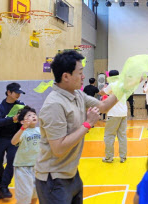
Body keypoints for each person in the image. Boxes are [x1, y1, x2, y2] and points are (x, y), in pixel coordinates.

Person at [35, 51, 118, 204]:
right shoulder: (54, 105)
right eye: (80, 73)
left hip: (72, 173)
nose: (83, 76)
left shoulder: (77, 95)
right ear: (65, 76)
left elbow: (104, 106)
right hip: (53, 179)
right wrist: (88, 124)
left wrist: (126, 87)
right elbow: (58, 148)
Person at [0, 82, 25, 199]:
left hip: (13, 139)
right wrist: (12, 119)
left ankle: (4, 187)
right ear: (9, 92)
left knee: (11, 161)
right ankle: (0, 181)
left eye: (20, 93)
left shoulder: (21, 105)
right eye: (16, 93)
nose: (19, 95)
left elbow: (25, 118)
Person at [11, 106, 40, 204]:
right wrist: (23, 128)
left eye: (34, 114)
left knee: (35, 194)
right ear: (23, 121)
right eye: (29, 115)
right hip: (23, 167)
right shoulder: (23, 132)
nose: (33, 116)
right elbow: (13, 142)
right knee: (25, 195)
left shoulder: (40, 130)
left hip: (37, 167)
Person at [100, 70, 128, 163]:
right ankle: (123, 157)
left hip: (114, 113)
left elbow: (102, 93)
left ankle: (109, 157)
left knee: (109, 135)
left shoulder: (112, 85)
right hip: (123, 113)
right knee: (122, 136)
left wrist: (104, 88)